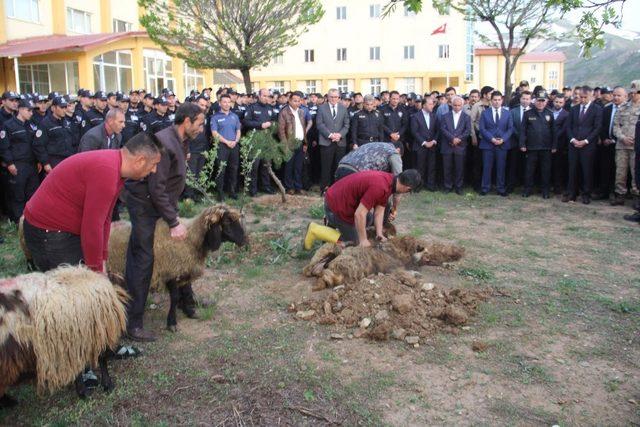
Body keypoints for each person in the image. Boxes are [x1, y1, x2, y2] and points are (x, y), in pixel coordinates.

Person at [22, 132, 162, 273]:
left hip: (61, 227)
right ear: (140, 161)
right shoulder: (106, 171)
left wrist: (102, 259)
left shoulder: (116, 166)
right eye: (154, 164)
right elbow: (92, 226)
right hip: (49, 231)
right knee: (71, 287)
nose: (154, 170)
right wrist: (96, 271)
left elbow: (105, 219)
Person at [124, 103, 205, 342]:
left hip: (160, 204)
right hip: (145, 207)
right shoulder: (165, 143)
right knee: (143, 259)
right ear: (187, 121)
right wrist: (173, 221)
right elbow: (156, 188)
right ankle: (133, 323)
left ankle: (185, 301)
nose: (202, 128)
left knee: (177, 253)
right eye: (199, 123)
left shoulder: (179, 140)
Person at [322, 169, 421, 246]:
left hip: (344, 202)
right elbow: (359, 214)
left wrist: (379, 233)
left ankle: (337, 226)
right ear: (408, 188)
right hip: (335, 205)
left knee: (368, 219)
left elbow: (379, 211)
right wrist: (363, 240)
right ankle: (318, 231)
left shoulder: (390, 181)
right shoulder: (380, 187)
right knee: (354, 244)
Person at [0, 99, 45, 222]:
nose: (31, 113)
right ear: (20, 109)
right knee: (18, 194)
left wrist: (38, 160)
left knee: (32, 193)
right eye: (28, 110)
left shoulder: (32, 125)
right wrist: (9, 163)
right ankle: (18, 220)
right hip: (18, 164)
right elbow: (4, 146)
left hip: (32, 164)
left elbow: (36, 144)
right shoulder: (8, 125)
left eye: (32, 111)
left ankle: (31, 219)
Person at [564, 85, 603, 204]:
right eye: (581, 97)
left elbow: (597, 128)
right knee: (572, 170)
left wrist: (586, 141)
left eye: (585, 97)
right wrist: (573, 140)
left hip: (588, 146)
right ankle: (572, 193)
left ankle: (586, 194)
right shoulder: (574, 109)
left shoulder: (597, 109)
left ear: (591, 96)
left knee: (587, 170)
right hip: (574, 145)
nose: (582, 99)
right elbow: (568, 127)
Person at [520, 91, 556, 198]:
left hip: (546, 147)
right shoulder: (528, 114)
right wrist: (522, 144)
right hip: (531, 147)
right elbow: (523, 131)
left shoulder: (550, 114)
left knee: (545, 170)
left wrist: (554, 145)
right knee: (529, 170)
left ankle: (545, 191)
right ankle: (528, 189)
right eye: (538, 101)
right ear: (535, 101)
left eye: (543, 101)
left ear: (546, 102)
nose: (540, 103)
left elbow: (554, 131)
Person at [479, 91, 514, 196]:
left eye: (499, 100)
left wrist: (503, 139)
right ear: (491, 100)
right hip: (488, 144)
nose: (497, 102)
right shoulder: (485, 113)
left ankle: (501, 188)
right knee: (487, 167)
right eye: (495, 100)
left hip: (502, 145)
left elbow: (510, 128)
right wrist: (492, 139)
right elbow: (482, 128)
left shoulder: (508, 113)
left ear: (502, 100)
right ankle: (485, 188)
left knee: (501, 167)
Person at [243, 88, 277, 196]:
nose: (266, 98)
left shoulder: (270, 108)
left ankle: (266, 186)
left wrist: (272, 125)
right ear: (259, 96)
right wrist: (260, 125)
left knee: (266, 165)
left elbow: (275, 121)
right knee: (254, 166)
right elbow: (245, 122)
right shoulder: (251, 108)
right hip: (255, 141)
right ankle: (252, 189)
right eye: (264, 95)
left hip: (266, 141)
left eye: (268, 96)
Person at [316, 88, 350, 193]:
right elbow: (319, 124)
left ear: (339, 98)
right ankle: (325, 188)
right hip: (326, 142)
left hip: (340, 142)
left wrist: (339, 135)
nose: (334, 99)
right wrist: (330, 135)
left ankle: (338, 188)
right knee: (326, 166)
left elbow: (346, 125)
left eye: (336, 97)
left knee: (338, 166)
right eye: (331, 97)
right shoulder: (321, 108)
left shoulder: (343, 108)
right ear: (327, 97)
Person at [611, 82, 640, 205]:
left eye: (635, 92)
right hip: (622, 146)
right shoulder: (622, 107)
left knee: (636, 172)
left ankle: (636, 197)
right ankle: (620, 195)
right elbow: (615, 127)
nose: (632, 94)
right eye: (631, 92)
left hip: (637, 147)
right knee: (620, 172)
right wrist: (622, 138)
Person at [596, 86, 624, 202]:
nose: (616, 97)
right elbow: (601, 126)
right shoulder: (606, 109)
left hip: (620, 144)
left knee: (617, 170)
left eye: (619, 95)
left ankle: (615, 193)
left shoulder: (626, 110)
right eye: (614, 95)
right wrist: (604, 138)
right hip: (606, 144)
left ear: (624, 97)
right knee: (604, 168)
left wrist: (614, 140)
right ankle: (604, 192)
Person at [211, 94, 241, 201]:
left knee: (233, 169)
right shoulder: (215, 117)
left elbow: (238, 130)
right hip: (222, 147)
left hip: (234, 146)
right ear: (220, 103)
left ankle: (232, 192)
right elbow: (214, 133)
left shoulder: (235, 116)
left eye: (229, 102)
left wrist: (235, 141)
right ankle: (220, 194)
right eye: (224, 102)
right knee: (221, 170)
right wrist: (227, 142)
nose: (227, 104)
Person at [440, 96, 472, 195]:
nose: (457, 107)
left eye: (459, 105)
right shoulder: (445, 116)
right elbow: (443, 129)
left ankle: (459, 187)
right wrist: (452, 138)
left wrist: (458, 139)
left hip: (460, 146)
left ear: (462, 105)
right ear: (451, 105)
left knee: (459, 168)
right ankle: (447, 186)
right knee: (447, 167)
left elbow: (467, 131)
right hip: (447, 145)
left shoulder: (466, 117)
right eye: (455, 105)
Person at [33, 96, 76, 169]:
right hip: (54, 160)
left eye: (65, 107)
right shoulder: (45, 123)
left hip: (68, 158)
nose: (64, 110)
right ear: (53, 108)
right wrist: (45, 163)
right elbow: (39, 145)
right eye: (61, 108)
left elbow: (72, 141)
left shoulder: (67, 121)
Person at [278, 91, 307, 194]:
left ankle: (298, 186)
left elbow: (302, 128)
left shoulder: (301, 112)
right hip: (289, 143)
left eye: (299, 101)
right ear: (289, 100)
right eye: (295, 101)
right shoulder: (284, 112)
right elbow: (281, 130)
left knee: (298, 166)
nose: (297, 103)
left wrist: (305, 143)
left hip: (300, 142)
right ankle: (289, 187)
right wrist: (284, 145)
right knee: (289, 166)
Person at [410, 96, 439, 191]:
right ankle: (418, 186)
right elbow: (414, 132)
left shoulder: (434, 116)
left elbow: (437, 131)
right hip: (420, 146)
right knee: (420, 167)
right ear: (424, 105)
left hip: (432, 145)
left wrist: (434, 141)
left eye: (433, 104)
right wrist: (424, 142)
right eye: (430, 104)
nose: (432, 106)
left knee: (432, 166)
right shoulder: (415, 116)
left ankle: (431, 185)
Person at [507, 91, 532, 193]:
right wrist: (520, 137)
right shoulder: (513, 111)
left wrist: (525, 139)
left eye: (527, 99)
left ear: (530, 100)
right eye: (523, 99)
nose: (525, 101)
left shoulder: (534, 111)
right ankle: (511, 186)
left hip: (529, 144)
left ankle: (526, 186)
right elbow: (511, 126)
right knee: (513, 165)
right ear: (520, 99)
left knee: (527, 166)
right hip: (515, 142)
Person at [552, 95, 570, 194]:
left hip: (559, 144)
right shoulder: (549, 112)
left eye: (560, 102)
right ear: (553, 101)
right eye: (556, 102)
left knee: (558, 166)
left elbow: (563, 130)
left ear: (563, 103)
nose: (558, 104)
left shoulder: (566, 114)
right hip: (546, 143)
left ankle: (557, 187)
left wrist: (553, 138)